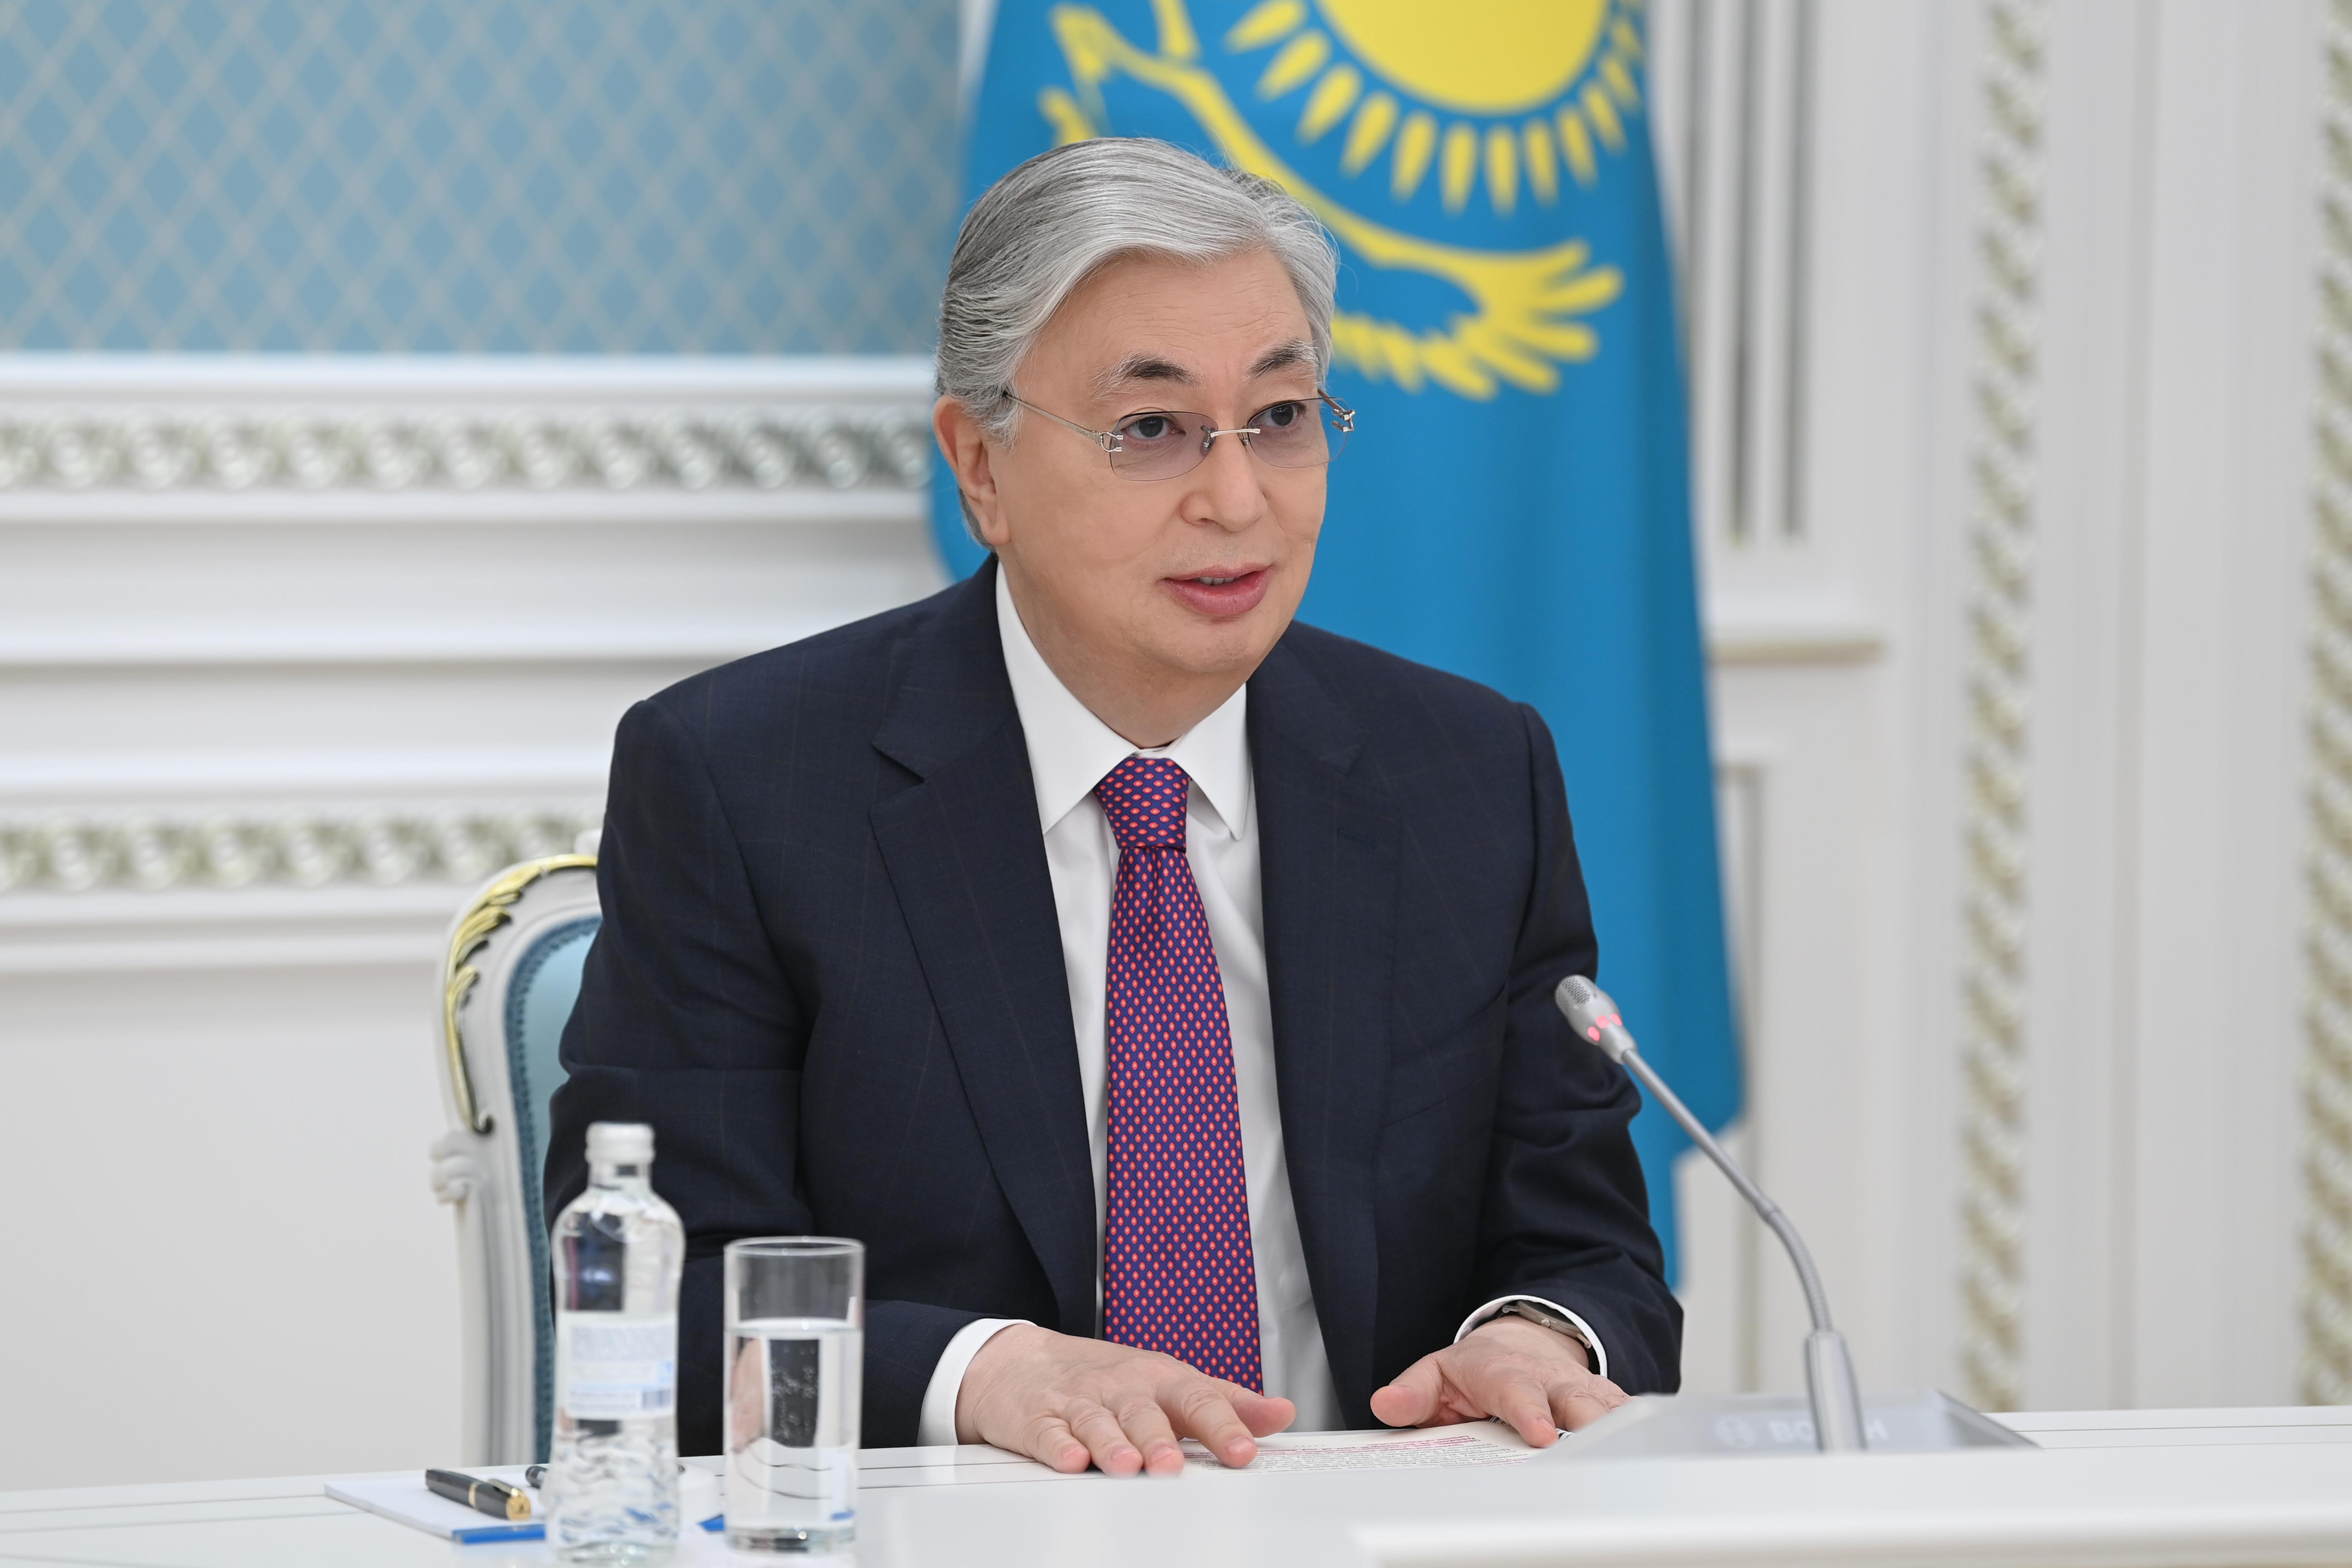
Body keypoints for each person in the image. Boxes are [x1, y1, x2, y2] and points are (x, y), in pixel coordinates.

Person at [548, 137, 1678, 1476]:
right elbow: (660, 1301)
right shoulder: (749, 783)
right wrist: (984, 1372)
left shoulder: (1468, 775)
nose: (1236, 500)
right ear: (980, 467)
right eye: (1151, 429)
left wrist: (1535, 1337)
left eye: (1280, 417)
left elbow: (1589, 1246)